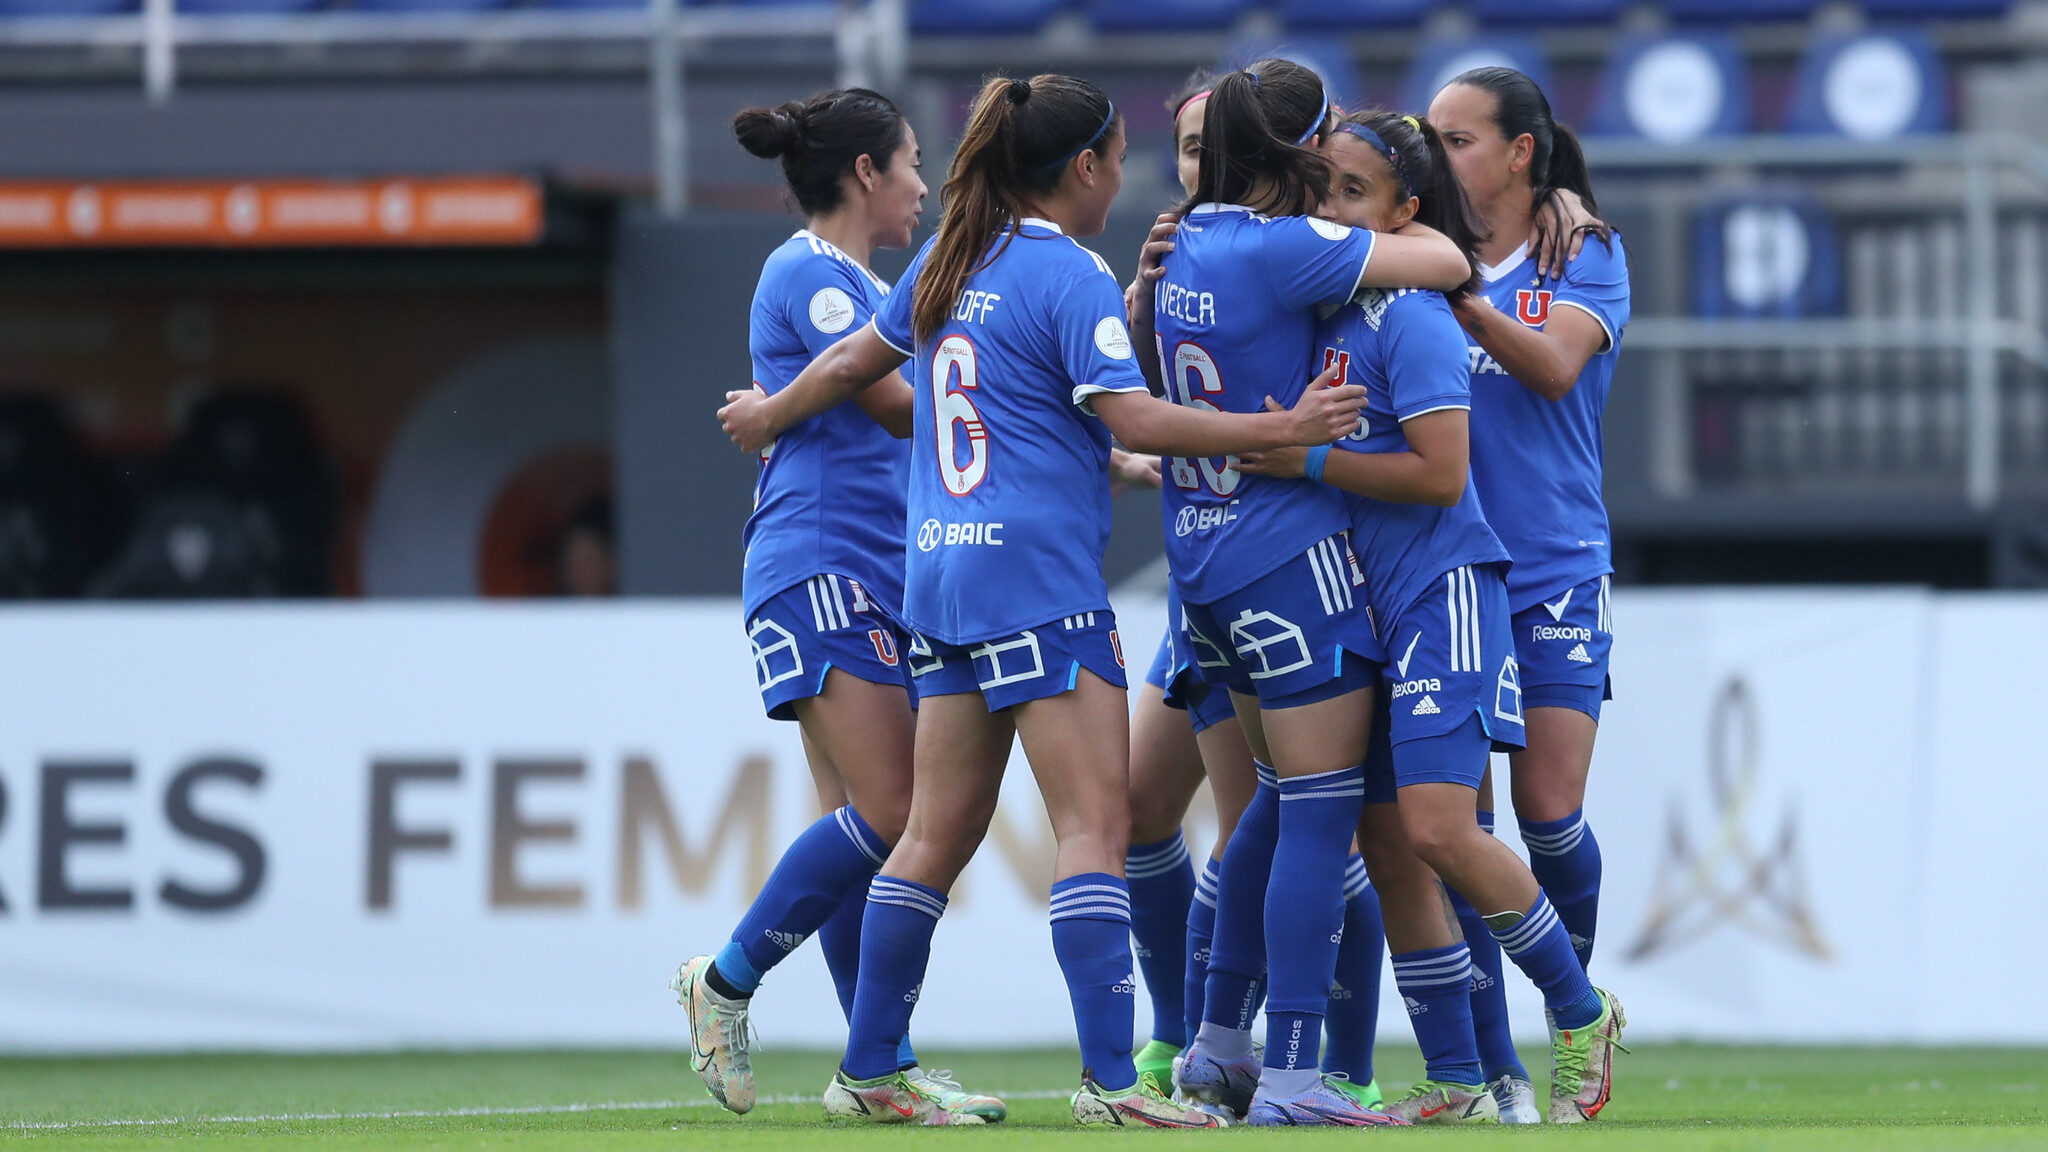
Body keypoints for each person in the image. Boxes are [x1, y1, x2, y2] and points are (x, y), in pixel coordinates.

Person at [716, 72, 1369, 1127]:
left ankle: (870, 1063)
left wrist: (774, 406)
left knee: (927, 836)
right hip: (1036, 581)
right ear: (1084, 167)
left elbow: (864, 364)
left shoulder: (946, 255)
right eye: (1117, 161)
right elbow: (1137, 416)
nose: (1123, 180)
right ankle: (1114, 1086)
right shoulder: (1062, 269)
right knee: (1091, 828)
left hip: (934, 578)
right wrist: (1277, 428)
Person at [1240, 104, 1626, 1127]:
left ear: (1406, 211)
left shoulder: (1415, 306)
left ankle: (1578, 1011)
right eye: (1317, 189)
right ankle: (1458, 1076)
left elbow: (1443, 473)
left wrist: (1305, 456)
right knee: (1394, 845)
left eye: (1350, 193)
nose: (1327, 211)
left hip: (1444, 590)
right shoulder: (1327, 302)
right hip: (1359, 600)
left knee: (1446, 827)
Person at [1140, 57, 1474, 1127]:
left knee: (1269, 814)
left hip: (1196, 567)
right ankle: (1292, 1077)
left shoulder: (1182, 241)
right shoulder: (1288, 249)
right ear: (1298, 152)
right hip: (1288, 562)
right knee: (1319, 823)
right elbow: (1443, 259)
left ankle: (1210, 1048)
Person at [669, 87, 1006, 1124]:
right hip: (821, 565)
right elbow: (889, 400)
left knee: (862, 826)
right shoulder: (810, 271)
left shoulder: (861, 280)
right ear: (865, 172)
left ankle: (879, 1066)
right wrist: (1017, 404)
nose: (918, 184)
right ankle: (722, 981)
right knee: (899, 813)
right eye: (909, 163)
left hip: (862, 572)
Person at [1121, 69, 1385, 1109]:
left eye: (1208, 148)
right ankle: (1215, 1046)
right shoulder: (1209, 252)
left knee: (1276, 824)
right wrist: (1142, 299)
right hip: (1241, 566)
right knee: (1213, 814)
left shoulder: (1283, 247)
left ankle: (1297, 1059)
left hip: (1248, 560)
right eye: (1181, 151)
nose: (1195, 168)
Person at [1431, 66, 1628, 1005]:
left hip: (1553, 565)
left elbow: (1552, 370)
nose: (1438, 155)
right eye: (1431, 139)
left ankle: (1574, 1006)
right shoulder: (1405, 251)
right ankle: (1485, 1062)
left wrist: (1462, 295)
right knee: (1458, 832)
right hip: (1442, 572)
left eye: (1458, 140)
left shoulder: (1584, 254)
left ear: (1520, 153)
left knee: (1547, 816)